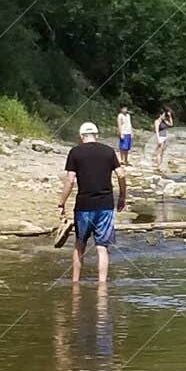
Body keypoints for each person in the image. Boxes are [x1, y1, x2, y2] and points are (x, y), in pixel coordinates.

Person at [58, 121, 126, 286]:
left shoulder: (75, 152)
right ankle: (102, 287)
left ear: (81, 136)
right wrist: (122, 196)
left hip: (84, 205)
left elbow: (70, 180)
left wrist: (61, 203)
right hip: (105, 205)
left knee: (80, 244)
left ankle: (75, 284)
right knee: (102, 247)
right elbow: (121, 175)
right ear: (96, 135)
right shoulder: (108, 151)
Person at [153, 107, 173, 172]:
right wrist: (158, 139)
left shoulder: (164, 121)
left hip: (165, 137)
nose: (164, 116)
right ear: (160, 115)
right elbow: (156, 131)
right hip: (160, 138)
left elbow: (171, 124)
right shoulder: (157, 121)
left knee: (162, 153)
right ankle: (158, 166)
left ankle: (160, 165)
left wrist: (170, 116)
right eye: (164, 115)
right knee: (159, 152)